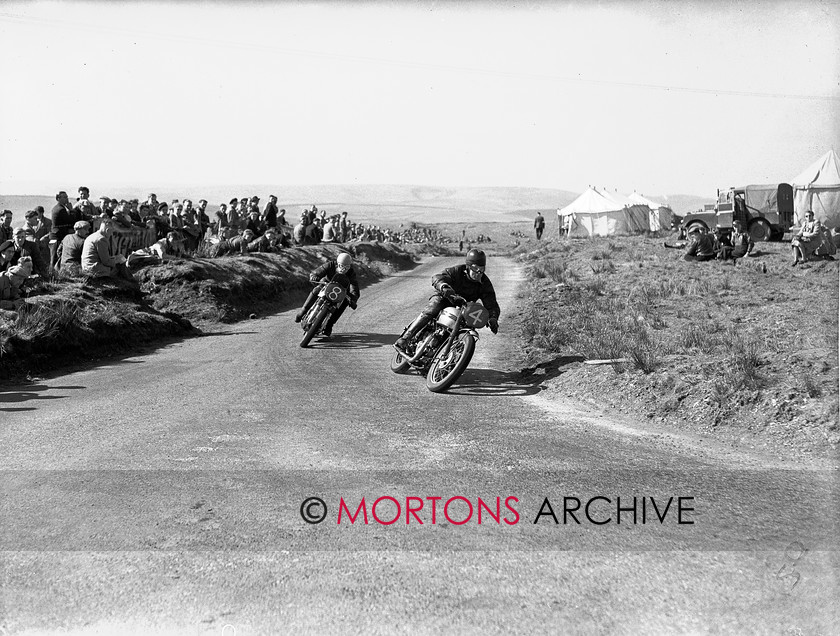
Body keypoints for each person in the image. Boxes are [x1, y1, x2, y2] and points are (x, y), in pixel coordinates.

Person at [394, 249, 500, 352]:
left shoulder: (485, 283)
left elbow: (491, 303)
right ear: (468, 266)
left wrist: (493, 317)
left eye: (482, 269)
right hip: (446, 298)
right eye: (475, 268)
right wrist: (443, 286)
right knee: (433, 308)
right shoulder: (457, 271)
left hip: (464, 308)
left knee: (469, 327)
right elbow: (438, 277)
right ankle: (406, 338)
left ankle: (455, 358)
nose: (478, 272)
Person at [294, 252, 360, 338]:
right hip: (326, 285)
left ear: (350, 266)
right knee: (317, 289)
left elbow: (354, 286)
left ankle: (329, 325)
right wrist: (315, 276)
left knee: (344, 302)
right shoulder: (330, 265)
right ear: (337, 263)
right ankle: (303, 311)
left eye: (347, 267)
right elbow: (318, 271)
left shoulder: (351, 273)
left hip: (341, 291)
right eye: (341, 266)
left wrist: (353, 298)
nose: (344, 269)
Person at [81, 217, 136, 282]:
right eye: (112, 232)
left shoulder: (92, 236)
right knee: (120, 265)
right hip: (94, 269)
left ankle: (130, 281)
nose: (111, 234)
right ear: (107, 230)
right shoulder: (101, 239)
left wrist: (115, 258)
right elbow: (106, 261)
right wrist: (117, 260)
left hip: (86, 266)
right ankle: (132, 282)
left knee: (118, 260)